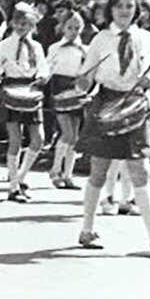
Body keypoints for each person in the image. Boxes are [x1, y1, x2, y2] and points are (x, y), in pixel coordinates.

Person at [75, 0, 150, 257]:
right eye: (119, 6)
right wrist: (84, 81)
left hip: (134, 106)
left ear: (137, 9)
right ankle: (87, 229)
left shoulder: (144, 38)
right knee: (99, 170)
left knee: (140, 170)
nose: (125, 11)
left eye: (130, 6)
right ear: (111, 9)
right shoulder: (100, 39)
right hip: (107, 104)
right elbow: (85, 77)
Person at [0, 2, 49, 202]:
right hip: (11, 90)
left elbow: (43, 67)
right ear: (12, 23)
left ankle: (20, 177)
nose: (21, 27)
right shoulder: (5, 45)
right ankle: (13, 188)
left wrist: (42, 77)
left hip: (31, 91)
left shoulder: (37, 47)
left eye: (26, 23)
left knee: (38, 139)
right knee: (15, 139)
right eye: (18, 22)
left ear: (32, 25)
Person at [46, 11, 88, 189]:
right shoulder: (55, 48)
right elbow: (48, 67)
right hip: (60, 89)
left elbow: (87, 72)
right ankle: (55, 170)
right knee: (67, 133)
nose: (74, 31)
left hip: (77, 90)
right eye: (70, 27)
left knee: (75, 137)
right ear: (62, 27)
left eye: (77, 28)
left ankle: (68, 175)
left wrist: (84, 80)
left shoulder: (85, 50)